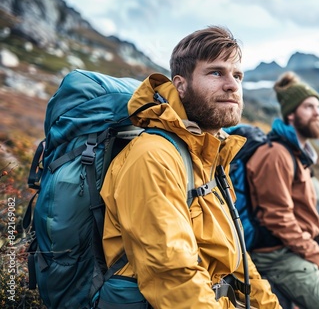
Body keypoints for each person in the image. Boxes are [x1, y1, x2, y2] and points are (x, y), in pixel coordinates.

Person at [100, 26, 281, 308]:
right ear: (180, 85)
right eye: (216, 72)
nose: (232, 85)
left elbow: (239, 262)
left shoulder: (211, 156)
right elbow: (173, 276)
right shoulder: (154, 157)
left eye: (237, 75)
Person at [245, 72, 319, 309]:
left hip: (298, 249)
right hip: (277, 255)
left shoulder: (297, 155)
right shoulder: (276, 155)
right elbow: (277, 217)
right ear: (291, 114)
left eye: (317, 106)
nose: (317, 112)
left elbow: (306, 212)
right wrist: (316, 255)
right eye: (308, 107)